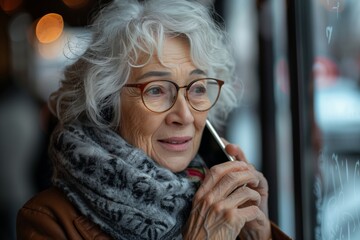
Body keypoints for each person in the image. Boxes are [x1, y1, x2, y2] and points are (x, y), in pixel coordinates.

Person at [17, 0, 291, 239]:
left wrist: (260, 234)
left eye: (197, 89)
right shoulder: (47, 219)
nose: (184, 116)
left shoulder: (224, 206)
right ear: (106, 104)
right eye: (157, 90)